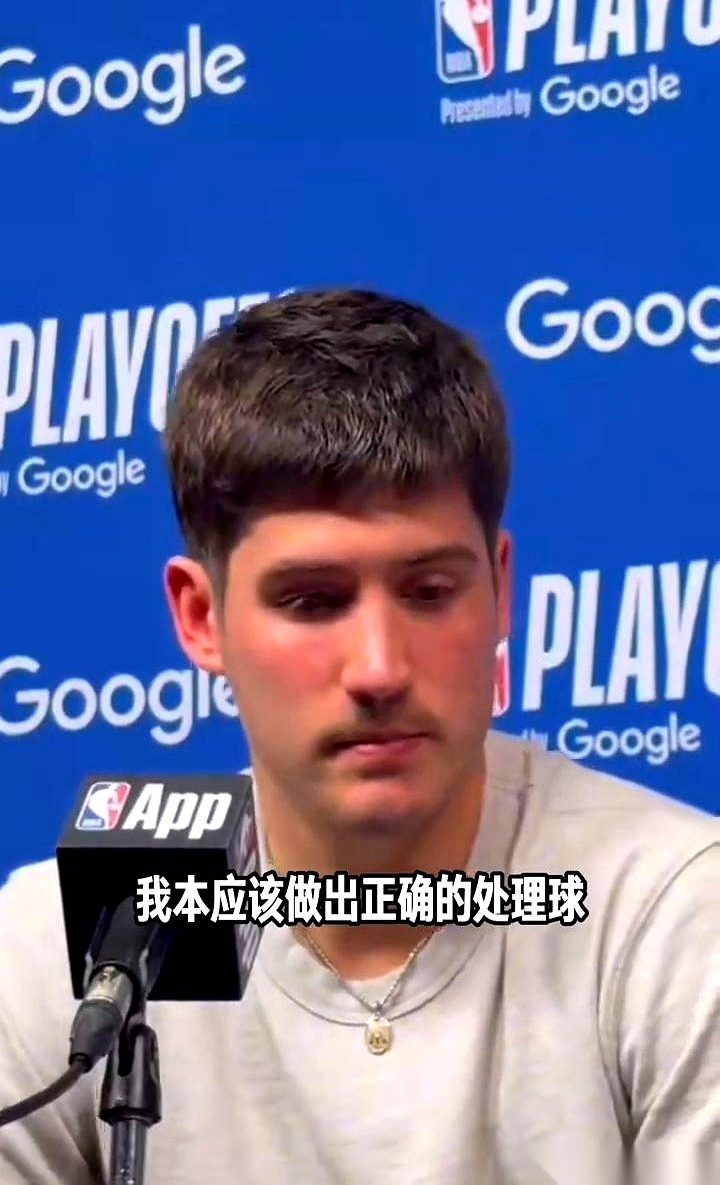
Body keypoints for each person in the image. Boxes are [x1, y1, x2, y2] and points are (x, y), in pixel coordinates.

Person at [0, 288, 717, 1185]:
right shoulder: (69, 945)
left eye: (429, 592)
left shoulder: (678, 912)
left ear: (501, 589)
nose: (379, 667)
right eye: (312, 601)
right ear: (201, 618)